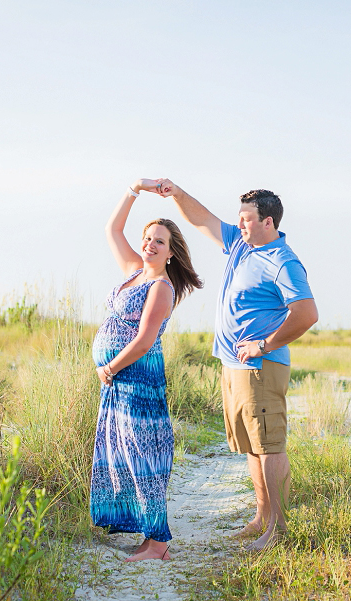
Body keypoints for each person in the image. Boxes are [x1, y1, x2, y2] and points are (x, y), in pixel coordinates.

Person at [157, 179, 318, 551]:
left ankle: (278, 529)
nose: (240, 224)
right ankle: (262, 517)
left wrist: (264, 344)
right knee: (251, 446)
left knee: (269, 446)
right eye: (240, 218)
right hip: (234, 366)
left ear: (268, 223)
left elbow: (307, 313)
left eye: (247, 219)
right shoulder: (241, 246)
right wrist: (177, 194)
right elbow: (203, 221)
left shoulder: (282, 261)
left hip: (261, 367)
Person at [89, 179, 203, 562]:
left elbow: (143, 341)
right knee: (124, 453)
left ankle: (158, 544)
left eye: (159, 242)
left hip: (136, 379)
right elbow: (112, 229)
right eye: (149, 238)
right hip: (120, 379)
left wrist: (109, 367)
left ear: (171, 253)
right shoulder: (134, 271)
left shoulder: (162, 287)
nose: (150, 245)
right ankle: (147, 537)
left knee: (144, 457)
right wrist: (134, 188)